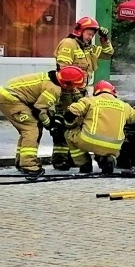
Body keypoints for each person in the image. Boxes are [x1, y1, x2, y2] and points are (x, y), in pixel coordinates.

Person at [0, 66, 87, 176]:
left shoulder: (49, 78)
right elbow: (39, 110)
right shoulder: (54, 89)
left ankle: (21, 161)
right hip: (10, 99)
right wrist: (49, 124)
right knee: (31, 129)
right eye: (74, 86)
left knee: (27, 129)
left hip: (7, 96)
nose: (74, 89)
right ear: (66, 84)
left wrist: (47, 120)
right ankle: (28, 165)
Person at [51, 17, 113, 169]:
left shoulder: (88, 48)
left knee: (76, 125)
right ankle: (60, 160)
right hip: (67, 92)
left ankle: (73, 158)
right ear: (80, 31)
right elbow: (64, 70)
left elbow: (108, 54)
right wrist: (73, 90)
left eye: (92, 34)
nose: (90, 37)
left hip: (81, 91)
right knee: (63, 124)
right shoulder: (69, 44)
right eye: (89, 33)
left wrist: (104, 39)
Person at [63, 81, 135, 175]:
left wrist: (70, 120)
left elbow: (73, 111)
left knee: (68, 134)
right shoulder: (124, 106)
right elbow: (133, 118)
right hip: (114, 146)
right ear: (113, 92)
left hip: (89, 140)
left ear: (96, 92)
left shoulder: (90, 100)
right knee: (103, 147)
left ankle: (84, 164)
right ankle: (108, 160)